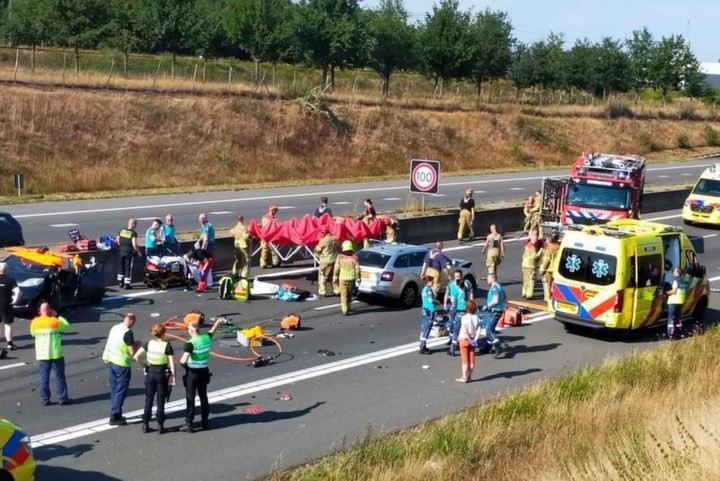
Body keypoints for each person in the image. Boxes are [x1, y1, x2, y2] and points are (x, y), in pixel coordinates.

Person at [179, 317, 224, 433]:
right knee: (203, 397)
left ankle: (189, 423)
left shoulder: (190, 344)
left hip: (192, 373)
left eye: (189, 328)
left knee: (190, 398)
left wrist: (186, 368)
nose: (188, 330)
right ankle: (205, 422)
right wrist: (217, 323)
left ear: (192, 331)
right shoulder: (206, 338)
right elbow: (212, 331)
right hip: (204, 372)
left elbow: (183, 361)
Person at [134, 323, 176, 434]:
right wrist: (173, 376)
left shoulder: (149, 343)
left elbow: (136, 357)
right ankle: (160, 425)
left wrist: (144, 365)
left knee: (149, 399)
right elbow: (172, 364)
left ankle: (145, 424)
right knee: (160, 400)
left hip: (150, 373)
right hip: (161, 374)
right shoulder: (167, 346)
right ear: (164, 333)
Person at [30, 302, 71, 406]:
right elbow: (66, 325)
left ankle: (45, 399)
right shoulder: (54, 321)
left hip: (42, 355)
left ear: (40, 311)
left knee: (44, 378)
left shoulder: (35, 322)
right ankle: (63, 398)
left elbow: (32, 333)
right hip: (56, 354)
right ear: (49, 310)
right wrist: (56, 315)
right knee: (60, 377)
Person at [102, 313, 138, 426]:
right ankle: (115, 415)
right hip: (122, 364)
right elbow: (132, 352)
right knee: (121, 390)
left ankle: (117, 412)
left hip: (112, 360)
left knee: (114, 389)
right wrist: (138, 344)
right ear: (131, 320)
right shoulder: (128, 333)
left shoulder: (115, 328)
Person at [444, 270, 474, 356]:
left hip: (459, 310)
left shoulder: (465, 285)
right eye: (456, 277)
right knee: (457, 326)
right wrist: (446, 303)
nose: (457, 278)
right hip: (459, 310)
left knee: (457, 328)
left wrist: (471, 304)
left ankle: (453, 347)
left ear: (462, 276)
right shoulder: (451, 284)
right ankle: (456, 341)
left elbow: (471, 293)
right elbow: (447, 293)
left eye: (459, 277)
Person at [456, 299, 482, 383]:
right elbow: (478, 329)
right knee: (471, 359)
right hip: (473, 340)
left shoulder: (464, 318)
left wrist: (469, 339)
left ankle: (464, 377)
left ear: (466, 308)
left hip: (464, 339)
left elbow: (465, 330)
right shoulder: (476, 318)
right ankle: (470, 376)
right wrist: (475, 339)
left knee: (464, 360)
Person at [480, 274, 506, 355]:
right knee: (491, 328)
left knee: (489, 329)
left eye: (488, 279)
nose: (487, 281)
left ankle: (497, 344)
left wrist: (488, 306)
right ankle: (488, 347)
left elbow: (495, 300)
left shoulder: (494, 288)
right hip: (497, 311)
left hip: (495, 312)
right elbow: (505, 297)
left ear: (492, 279)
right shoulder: (500, 286)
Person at [333, 240, 360, 315]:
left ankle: (344, 309)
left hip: (342, 279)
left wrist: (334, 280)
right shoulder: (355, 258)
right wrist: (358, 278)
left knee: (343, 294)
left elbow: (336, 269)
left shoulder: (339, 257)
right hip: (352, 279)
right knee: (349, 294)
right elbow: (357, 269)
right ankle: (348, 307)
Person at [0, 263, 20, 351]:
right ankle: (10, 344)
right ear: (6, 269)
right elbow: (18, 291)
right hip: (6, 305)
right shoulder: (10, 279)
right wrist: (15, 300)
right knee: (8, 325)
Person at [315, 228, 341, 297]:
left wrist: (318, 254)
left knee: (322, 276)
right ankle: (336, 290)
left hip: (325, 261)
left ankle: (322, 291)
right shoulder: (335, 238)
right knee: (334, 276)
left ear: (324, 233)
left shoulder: (323, 240)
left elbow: (318, 249)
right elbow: (340, 249)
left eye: (321, 233)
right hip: (334, 260)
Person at [116, 218, 140, 290]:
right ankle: (127, 284)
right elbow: (134, 245)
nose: (136, 226)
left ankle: (120, 282)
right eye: (135, 224)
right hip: (128, 252)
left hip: (121, 251)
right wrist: (139, 252)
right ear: (133, 224)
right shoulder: (133, 233)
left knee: (121, 266)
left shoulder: (122, 230)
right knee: (128, 267)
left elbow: (118, 241)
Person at [521, 229, 544, 300]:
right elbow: (535, 257)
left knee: (526, 280)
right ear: (531, 236)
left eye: (537, 235)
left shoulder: (527, 244)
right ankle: (529, 294)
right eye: (534, 235)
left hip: (524, 264)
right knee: (531, 280)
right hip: (530, 265)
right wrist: (541, 251)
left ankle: (524, 292)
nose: (536, 237)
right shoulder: (532, 246)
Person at [666, 266, 687, 340]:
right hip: (680, 301)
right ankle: (678, 333)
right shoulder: (682, 281)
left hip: (673, 301)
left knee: (671, 318)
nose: (673, 273)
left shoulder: (675, 281)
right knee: (678, 318)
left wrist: (666, 293)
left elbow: (674, 291)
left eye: (674, 271)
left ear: (677, 272)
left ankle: (670, 334)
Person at [418, 276, 438, 354]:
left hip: (424, 309)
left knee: (424, 327)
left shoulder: (424, 289)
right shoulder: (429, 289)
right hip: (429, 310)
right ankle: (423, 346)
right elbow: (431, 300)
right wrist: (437, 302)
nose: (433, 282)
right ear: (428, 282)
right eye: (432, 281)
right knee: (428, 328)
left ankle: (422, 344)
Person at [539, 230, 561, 302]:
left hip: (549, 270)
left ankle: (548, 298)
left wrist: (542, 270)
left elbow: (546, 261)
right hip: (557, 269)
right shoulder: (559, 247)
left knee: (548, 284)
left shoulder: (549, 249)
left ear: (548, 241)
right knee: (555, 285)